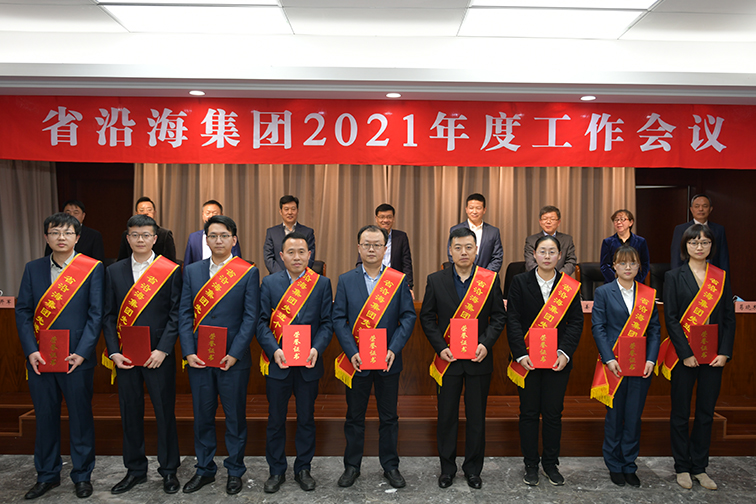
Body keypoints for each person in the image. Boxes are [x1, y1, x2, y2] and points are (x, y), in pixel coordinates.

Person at [16, 212, 103, 499]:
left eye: (67, 233)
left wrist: (82, 352)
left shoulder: (91, 268)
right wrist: (31, 350)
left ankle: (82, 475)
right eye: (55, 232)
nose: (61, 237)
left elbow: (96, 314)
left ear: (77, 237)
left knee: (80, 418)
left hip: (76, 359)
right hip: (40, 358)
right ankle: (47, 475)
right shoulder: (33, 268)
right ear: (46, 237)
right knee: (45, 418)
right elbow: (23, 311)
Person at [420, 227, 507, 489]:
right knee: (446, 417)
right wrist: (440, 347)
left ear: (476, 250)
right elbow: (427, 317)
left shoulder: (489, 280)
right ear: (450, 250)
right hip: (448, 360)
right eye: (458, 247)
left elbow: (499, 316)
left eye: (469, 247)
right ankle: (447, 469)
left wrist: (485, 344)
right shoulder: (435, 280)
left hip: (479, 360)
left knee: (476, 418)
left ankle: (473, 470)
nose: (463, 252)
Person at [178, 215, 259, 495]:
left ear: (234, 240)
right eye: (213, 236)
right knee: (202, 416)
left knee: (235, 417)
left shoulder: (247, 271)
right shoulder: (192, 271)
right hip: (199, 359)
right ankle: (204, 469)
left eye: (224, 235)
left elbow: (251, 317)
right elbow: (185, 313)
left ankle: (235, 470)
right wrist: (188, 352)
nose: (219, 240)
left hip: (232, 361)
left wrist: (235, 353)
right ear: (206, 240)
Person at [332, 225, 416, 489]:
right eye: (366, 244)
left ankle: (390, 466)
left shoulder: (397, 280)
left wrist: (393, 349)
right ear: (358, 247)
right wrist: (352, 352)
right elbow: (338, 319)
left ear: (385, 248)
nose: (371, 249)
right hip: (357, 361)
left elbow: (408, 317)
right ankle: (352, 466)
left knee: (389, 417)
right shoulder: (346, 280)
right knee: (354, 416)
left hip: (388, 361)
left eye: (377, 245)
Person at [103, 214, 182, 495]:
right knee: (130, 412)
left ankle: (169, 470)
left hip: (158, 355)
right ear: (128, 238)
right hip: (125, 356)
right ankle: (135, 470)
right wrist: (113, 352)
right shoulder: (113, 271)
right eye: (135, 235)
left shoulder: (170, 270)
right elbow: (108, 315)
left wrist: (163, 349)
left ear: (155, 238)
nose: (140, 239)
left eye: (146, 235)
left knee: (164, 413)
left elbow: (176, 314)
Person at [659, 224, 735, 491]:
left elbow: (728, 318)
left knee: (705, 413)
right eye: (694, 242)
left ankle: (700, 467)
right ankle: (682, 466)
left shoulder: (720, 277)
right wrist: (686, 353)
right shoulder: (673, 276)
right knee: (680, 413)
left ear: (712, 246)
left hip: (714, 357)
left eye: (705, 242)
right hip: (685, 357)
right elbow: (671, 318)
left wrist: (724, 352)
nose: (699, 247)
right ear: (686, 246)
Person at [257, 232, 333, 493]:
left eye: (302, 252)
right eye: (291, 252)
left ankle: (303, 468)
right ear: (281, 256)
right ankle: (276, 470)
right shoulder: (269, 283)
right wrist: (274, 350)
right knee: (275, 419)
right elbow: (261, 323)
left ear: (310, 255)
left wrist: (316, 348)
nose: (297, 257)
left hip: (308, 364)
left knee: (306, 419)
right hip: (278, 363)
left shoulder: (322, 284)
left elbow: (327, 323)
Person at [506, 235, 583, 487]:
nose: (547, 256)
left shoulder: (569, 286)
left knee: (553, 414)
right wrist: (521, 354)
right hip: (527, 360)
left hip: (557, 362)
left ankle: (550, 464)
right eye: (542, 251)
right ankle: (530, 464)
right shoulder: (520, 282)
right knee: (528, 413)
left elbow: (576, 322)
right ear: (534, 255)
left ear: (559, 256)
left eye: (552, 252)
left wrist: (564, 353)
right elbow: (513, 319)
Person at [591, 245, 661, 488]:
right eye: (622, 263)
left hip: (641, 365)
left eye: (633, 263)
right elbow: (598, 327)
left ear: (639, 266)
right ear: (614, 267)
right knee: (615, 416)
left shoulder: (648, 294)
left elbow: (654, 330)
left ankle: (629, 464)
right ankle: (614, 465)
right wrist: (609, 358)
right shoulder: (603, 292)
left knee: (633, 417)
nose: (628, 267)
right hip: (615, 364)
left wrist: (651, 359)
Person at [357, 203, 415, 298]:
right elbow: (360, 261)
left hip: (393, 283)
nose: (385, 220)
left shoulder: (401, 237)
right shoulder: (368, 235)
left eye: (389, 217)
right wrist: (360, 282)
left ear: (393, 219)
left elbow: (406, 263)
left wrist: (409, 286)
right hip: (371, 281)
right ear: (376, 218)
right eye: (382, 217)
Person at [670, 194, 729, 274]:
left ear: (710, 209)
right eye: (697, 206)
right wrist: (677, 277)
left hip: (713, 275)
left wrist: (725, 278)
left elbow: (723, 257)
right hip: (688, 274)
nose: (701, 209)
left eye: (705, 206)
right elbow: (676, 256)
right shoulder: (681, 229)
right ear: (691, 209)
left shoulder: (719, 229)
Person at [448, 193, 503, 273]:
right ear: (466, 209)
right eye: (471, 208)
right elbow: (452, 255)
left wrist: (483, 275)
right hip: (462, 276)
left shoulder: (493, 232)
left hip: (485, 277)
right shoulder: (455, 230)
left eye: (478, 208)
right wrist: (466, 273)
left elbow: (497, 258)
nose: (474, 211)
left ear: (484, 210)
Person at [263, 195, 316, 274]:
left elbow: (310, 258)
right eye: (286, 209)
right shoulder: (272, 232)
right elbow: (268, 258)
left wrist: (298, 274)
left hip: (301, 277)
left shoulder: (308, 232)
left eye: (293, 209)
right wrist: (283, 276)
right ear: (280, 211)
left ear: (297, 211)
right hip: (277, 277)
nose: (290, 212)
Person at [183, 200, 242, 268]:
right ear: (202, 215)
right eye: (207, 213)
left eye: (215, 213)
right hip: (199, 273)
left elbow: (237, 261)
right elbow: (188, 263)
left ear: (221, 215)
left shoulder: (229, 236)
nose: (211, 216)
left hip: (225, 273)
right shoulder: (193, 237)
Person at [117, 196, 177, 262]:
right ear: (136, 214)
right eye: (141, 210)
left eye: (149, 210)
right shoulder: (128, 234)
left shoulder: (165, 234)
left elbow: (171, 262)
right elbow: (122, 260)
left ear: (154, 213)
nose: (145, 213)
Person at [599, 209, 650, 284]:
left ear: (631, 222)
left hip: (635, 283)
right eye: (616, 220)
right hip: (613, 283)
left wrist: (634, 281)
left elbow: (644, 265)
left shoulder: (641, 242)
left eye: (622, 219)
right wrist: (618, 282)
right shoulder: (607, 242)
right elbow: (605, 266)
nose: (619, 222)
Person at [524, 205, 577, 276]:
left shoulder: (567, 240)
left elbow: (571, 261)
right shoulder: (531, 240)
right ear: (540, 222)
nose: (548, 222)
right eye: (545, 219)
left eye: (552, 219)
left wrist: (557, 276)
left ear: (558, 222)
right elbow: (530, 262)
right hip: (537, 278)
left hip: (560, 278)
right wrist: (544, 276)